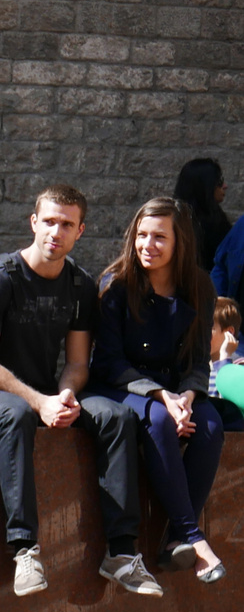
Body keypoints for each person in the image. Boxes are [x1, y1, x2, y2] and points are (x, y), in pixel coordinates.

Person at [0, 184, 159, 598]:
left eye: (67, 224)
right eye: (49, 221)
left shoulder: (81, 287)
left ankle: (120, 553)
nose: (56, 231)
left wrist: (64, 395)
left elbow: (77, 363)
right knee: (16, 415)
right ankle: (24, 550)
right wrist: (40, 402)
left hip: (48, 393)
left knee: (117, 416)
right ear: (33, 223)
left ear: (80, 231)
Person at [90, 197, 225, 583]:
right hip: (122, 385)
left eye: (159, 237)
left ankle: (173, 541)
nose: (147, 245)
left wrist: (188, 396)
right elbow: (109, 361)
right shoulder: (116, 284)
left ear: (180, 243)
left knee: (211, 426)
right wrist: (160, 395)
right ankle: (194, 538)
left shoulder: (199, 286)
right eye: (141, 235)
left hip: (176, 389)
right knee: (160, 420)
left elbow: (199, 360)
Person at [173, 158, 230, 273]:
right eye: (219, 181)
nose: (225, 186)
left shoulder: (215, 219)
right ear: (206, 186)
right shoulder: (182, 224)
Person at [210, 297, 244, 431]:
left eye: (209, 327)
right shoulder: (196, 367)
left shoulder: (238, 366)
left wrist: (224, 359)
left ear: (229, 332)